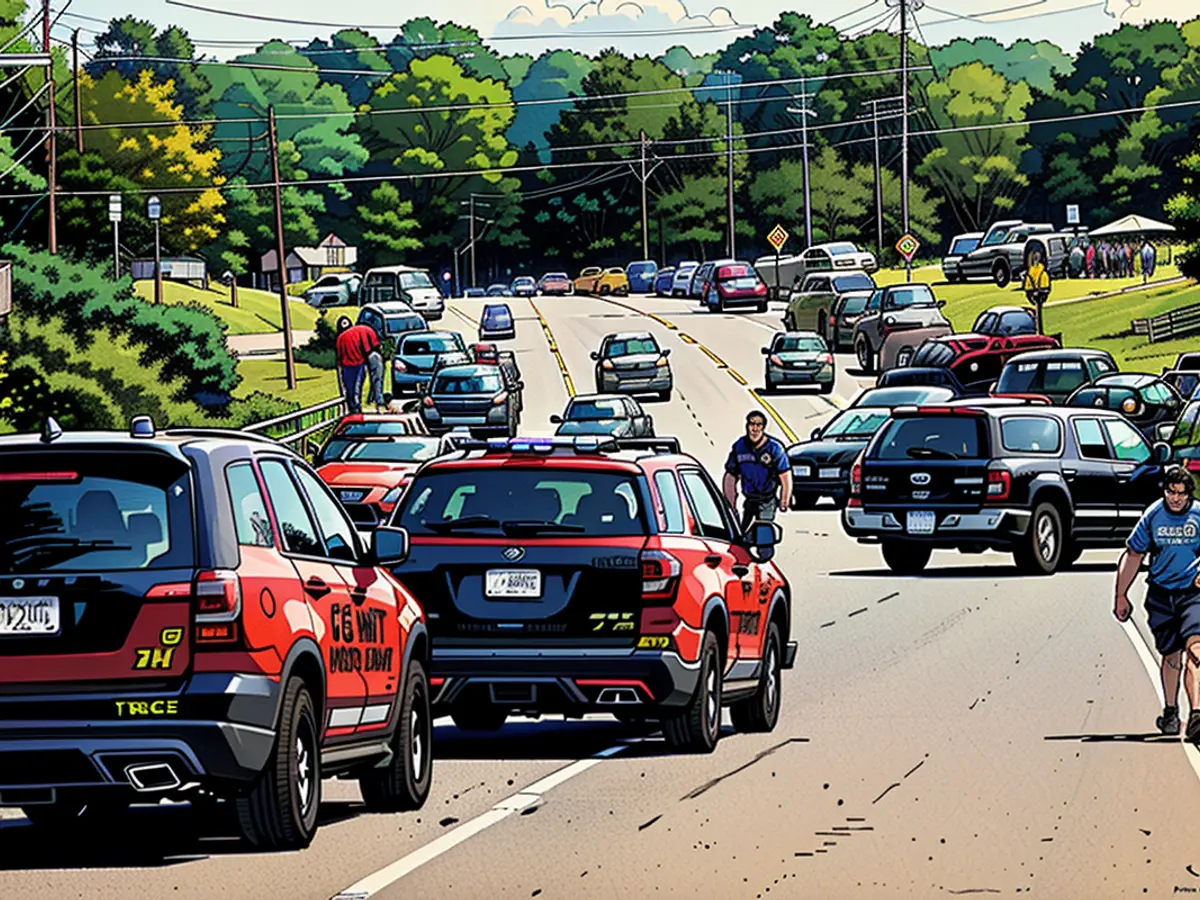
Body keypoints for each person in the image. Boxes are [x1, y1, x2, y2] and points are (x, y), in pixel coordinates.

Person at [1114, 466, 1200, 740]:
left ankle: (1197, 714)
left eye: (1180, 494)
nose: (1175, 499)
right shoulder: (1153, 515)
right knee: (1171, 654)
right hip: (1161, 595)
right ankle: (1172, 711)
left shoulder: (1199, 515)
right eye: (1170, 492)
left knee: (1196, 648)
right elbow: (1134, 554)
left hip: (1192, 594)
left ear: (1189, 495)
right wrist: (1120, 594)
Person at [723, 410, 792, 531]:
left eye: (758, 425)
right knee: (742, 535)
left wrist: (784, 500)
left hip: (767, 500)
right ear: (747, 426)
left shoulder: (774, 448)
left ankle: (764, 549)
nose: (755, 428)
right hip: (749, 500)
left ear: (763, 427)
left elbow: (785, 475)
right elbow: (731, 475)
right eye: (752, 424)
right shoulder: (740, 447)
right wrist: (730, 503)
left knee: (763, 534)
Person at [334, 316, 379, 415]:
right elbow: (367, 348)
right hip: (358, 363)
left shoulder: (340, 338)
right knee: (357, 386)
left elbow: (339, 358)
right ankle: (357, 407)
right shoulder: (361, 331)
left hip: (347, 366)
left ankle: (354, 408)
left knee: (350, 388)